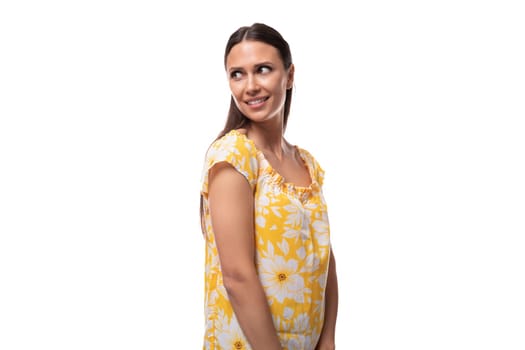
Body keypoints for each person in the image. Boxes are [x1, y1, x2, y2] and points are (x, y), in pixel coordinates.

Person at [199, 23, 338, 350]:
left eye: (262, 70)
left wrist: (328, 338)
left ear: (289, 76)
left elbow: (324, 256)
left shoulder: (307, 164)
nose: (250, 86)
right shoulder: (234, 155)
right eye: (237, 74)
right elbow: (237, 277)